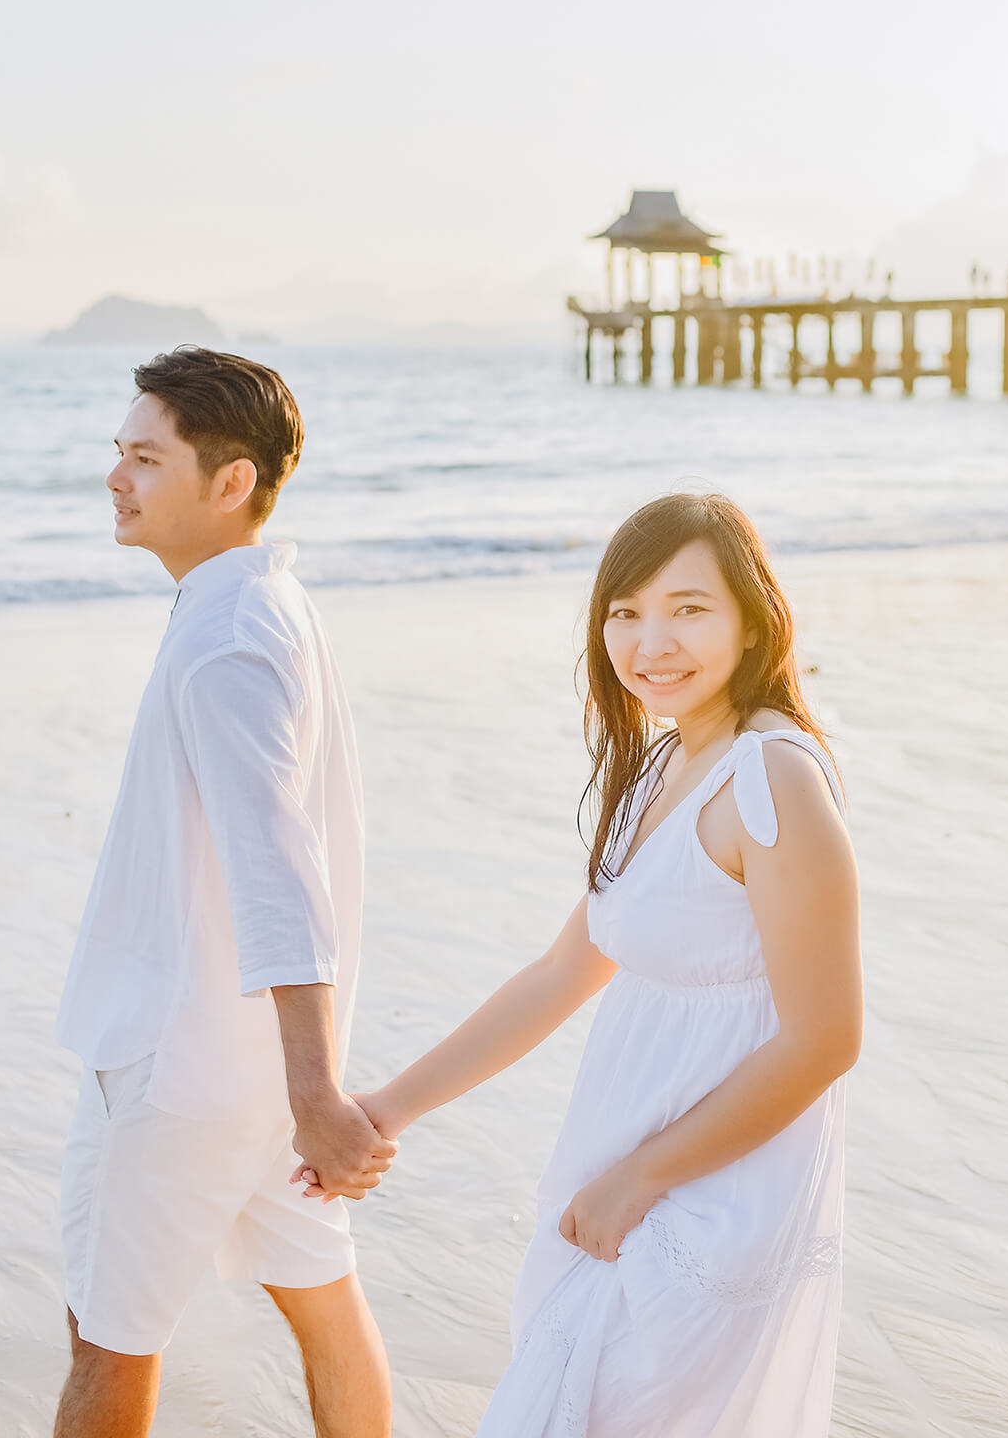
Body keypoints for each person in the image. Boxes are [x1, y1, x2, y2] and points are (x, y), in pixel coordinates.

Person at [323, 491, 862, 1436]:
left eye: (688, 609)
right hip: (624, 1173)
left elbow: (825, 1040)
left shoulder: (774, 777)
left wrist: (642, 1178)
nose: (652, 640)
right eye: (626, 613)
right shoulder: (661, 771)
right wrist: (387, 1108)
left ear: (753, 621)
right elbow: (559, 974)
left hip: (710, 1195)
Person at [53, 347, 395, 1438]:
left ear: (230, 479)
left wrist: (315, 1093)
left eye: (146, 457)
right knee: (325, 1307)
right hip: (235, 1063)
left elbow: (275, 871)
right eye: (120, 452)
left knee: (109, 1340)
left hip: (183, 1061)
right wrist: (305, 1083)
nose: (117, 476)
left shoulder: (226, 638)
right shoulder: (264, 603)